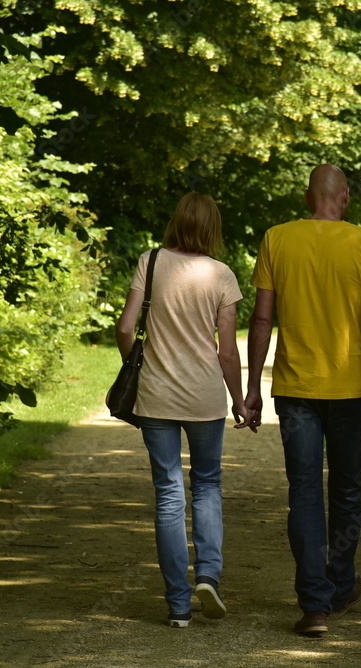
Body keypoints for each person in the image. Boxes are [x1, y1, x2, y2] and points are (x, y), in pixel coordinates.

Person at [243, 164, 361, 636]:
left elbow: (262, 319)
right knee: (346, 491)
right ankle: (341, 584)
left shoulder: (276, 238)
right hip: (350, 389)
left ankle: (315, 606)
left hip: (295, 391)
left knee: (305, 492)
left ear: (308, 197)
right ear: (344, 198)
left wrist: (252, 387)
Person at [115, 191, 251, 628]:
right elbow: (227, 351)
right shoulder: (222, 275)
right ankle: (208, 576)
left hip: (156, 396)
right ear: (213, 228)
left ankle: (177, 605)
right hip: (205, 398)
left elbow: (125, 327)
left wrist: (136, 366)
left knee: (169, 494)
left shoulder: (151, 261)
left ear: (176, 221)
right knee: (207, 485)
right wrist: (240, 400)